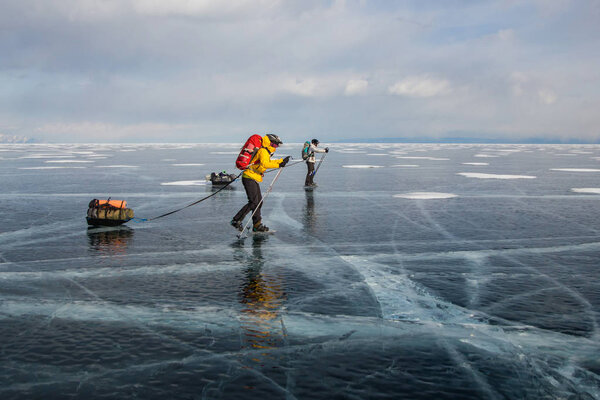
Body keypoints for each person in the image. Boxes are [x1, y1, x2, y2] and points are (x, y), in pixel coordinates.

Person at [231, 134, 290, 232]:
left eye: (277, 146)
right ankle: (236, 220)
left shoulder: (266, 151)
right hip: (249, 177)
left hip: (252, 177)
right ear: (271, 143)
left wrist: (281, 161)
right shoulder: (263, 150)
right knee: (254, 202)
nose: (276, 147)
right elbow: (265, 164)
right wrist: (279, 164)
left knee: (258, 202)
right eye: (275, 145)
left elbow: (267, 161)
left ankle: (257, 225)